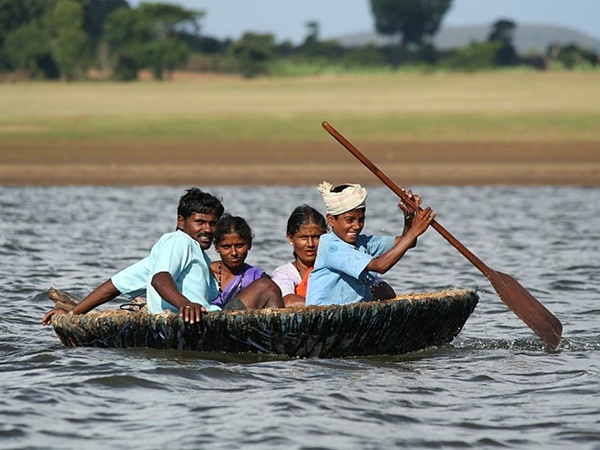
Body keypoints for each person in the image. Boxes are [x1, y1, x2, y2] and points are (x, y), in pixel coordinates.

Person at [42, 187, 283, 325]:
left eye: (212, 223)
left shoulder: (189, 253)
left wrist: (74, 314)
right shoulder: (178, 241)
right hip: (199, 320)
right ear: (181, 221)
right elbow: (160, 279)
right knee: (267, 286)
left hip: (201, 316)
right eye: (200, 222)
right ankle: (281, 341)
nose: (208, 229)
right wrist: (185, 305)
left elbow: (115, 285)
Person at [305, 181, 436, 306]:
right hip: (323, 315)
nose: (356, 226)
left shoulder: (362, 243)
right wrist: (414, 231)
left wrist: (408, 216)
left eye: (361, 220)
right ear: (331, 220)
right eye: (349, 220)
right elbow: (381, 266)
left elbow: (408, 242)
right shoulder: (332, 247)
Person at [271, 205, 327, 307]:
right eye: (304, 237)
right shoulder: (284, 274)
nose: (310, 244)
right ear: (290, 238)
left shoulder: (332, 268)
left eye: (316, 237)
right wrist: (327, 308)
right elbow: (288, 301)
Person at [210, 214, 269, 309]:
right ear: (217, 247)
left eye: (239, 246)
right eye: (226, 247)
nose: (233, 253)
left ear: (249, 244)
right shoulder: (206, 272)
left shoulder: (258, 278)